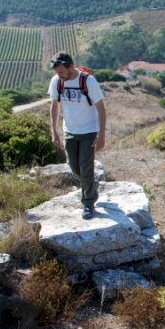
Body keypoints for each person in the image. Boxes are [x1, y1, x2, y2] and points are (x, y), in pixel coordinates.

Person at [48, 52, 107, 219]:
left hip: (89, 130)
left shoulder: (87, 81)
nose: (59, 76)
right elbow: (54, 107)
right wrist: (54, 131)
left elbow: (101, 109)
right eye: (57, 73)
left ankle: (88, 202)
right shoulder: (56, 81)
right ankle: (91, 185)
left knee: (85, 167)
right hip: (70, 131)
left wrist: (101, 136)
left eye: (61, 72)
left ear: (70, 67)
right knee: (74, 168)